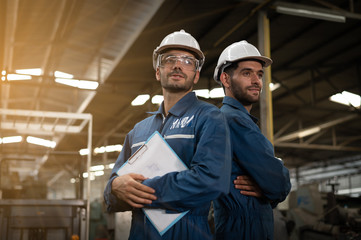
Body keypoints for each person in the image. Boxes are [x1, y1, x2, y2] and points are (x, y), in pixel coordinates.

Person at [104, 30, 231, 240]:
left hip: (188, 232)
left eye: (188, 61)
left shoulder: (209, 118)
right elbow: (111, 192)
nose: (178, 65)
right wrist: (115, 188)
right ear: (157, 71)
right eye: (169, 59)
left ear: (197, 75)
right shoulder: (139, 130)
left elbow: (211, 181)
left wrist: (142, 190)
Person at [212, 40, 292, 240]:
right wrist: (274, 179)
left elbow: (270, 184)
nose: (256, 80)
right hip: (245, 230)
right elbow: (277, 184)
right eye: (247, 73)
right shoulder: (235, 120)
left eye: (259, 74)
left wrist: (266, 187)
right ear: (226, 79)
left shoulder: (230, 119)